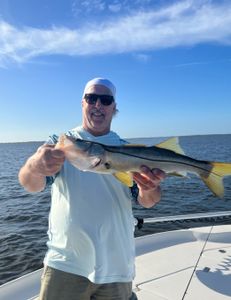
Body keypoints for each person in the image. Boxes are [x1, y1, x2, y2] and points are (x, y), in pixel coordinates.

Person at [18, 78, 165, 300]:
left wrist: (149, 188)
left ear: (114, 108)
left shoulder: (129, 151)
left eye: (105, 100)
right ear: (82, 103)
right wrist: (34, 166)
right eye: (91, 98)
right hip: (65, 264)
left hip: (117, 266)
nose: (98, 104)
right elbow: (30, 184)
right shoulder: (61, 143)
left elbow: (148, 200)